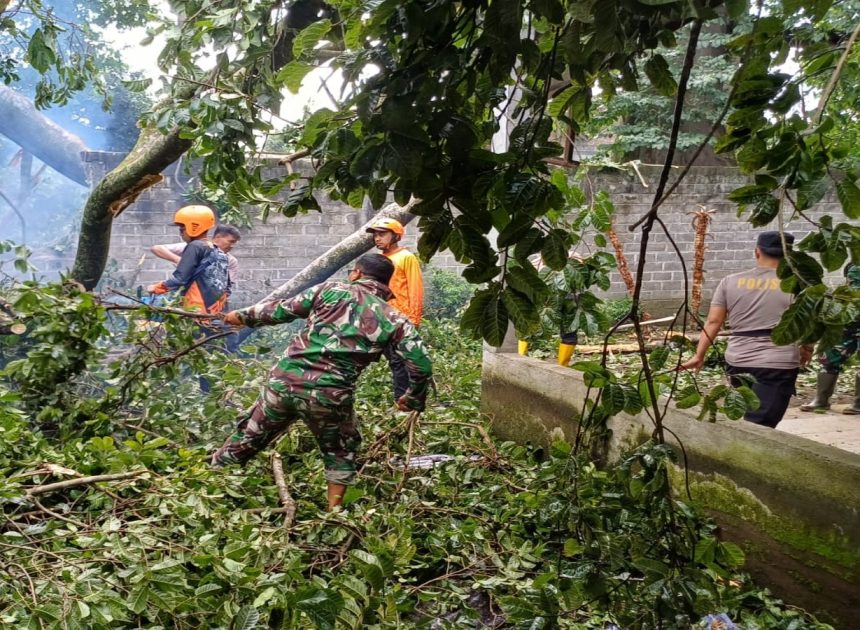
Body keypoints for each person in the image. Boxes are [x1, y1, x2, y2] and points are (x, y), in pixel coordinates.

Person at [211, 253, 433, 509]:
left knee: (250, 435)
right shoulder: (394, 318)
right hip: (329, 395)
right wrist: (413, 397)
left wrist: (239, 316)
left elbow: (280, 310)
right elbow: (421, 364)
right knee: (340, 451)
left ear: (357, 273)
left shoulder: (328, 291)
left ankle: (212, 481)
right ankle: (333, 512)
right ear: (387, 284)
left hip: (283, 382)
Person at [680, 231, 813, 428]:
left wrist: (699, 355)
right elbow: (809, 322)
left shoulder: (730, 281)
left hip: (738, 361)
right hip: (778, 363)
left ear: (757, 252)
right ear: (789, 254)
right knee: (761, 425)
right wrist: (807, 348)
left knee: (748, 415)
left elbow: (713, 322)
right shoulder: (800, 284)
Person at [366, 218, 424, 399]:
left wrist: (413, 320)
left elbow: (415, 289)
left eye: (382, 234)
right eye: (375, 235)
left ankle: (402, 401)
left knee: (399, 362)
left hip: (399, 319)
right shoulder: (379, 260)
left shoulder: (406, 257)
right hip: (380, 318)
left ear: (396, 236)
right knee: (392, 361)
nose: (377, 238)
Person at [146, 205, 231, 314]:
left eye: (182, 229)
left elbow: (180, 279)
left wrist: (156, 287)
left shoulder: (195, 246)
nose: (181, 233)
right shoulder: (218, 251)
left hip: (195, 311)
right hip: (215, 312)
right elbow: (227, 287)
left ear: (195, 226)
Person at [800, 262, 860, 414]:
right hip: (845, 321)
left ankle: (858, 404)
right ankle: (821, 400)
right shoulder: (853, 265)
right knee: (829, 358)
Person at [151, 224, 241, 287]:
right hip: (185, 294)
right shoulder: (196, 247)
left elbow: (227, 286)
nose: (233, 246)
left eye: (235, 243)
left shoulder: (231, 261)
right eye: (231, 241)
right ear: (218, 237)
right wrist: (181, 261)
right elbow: (156, 248)